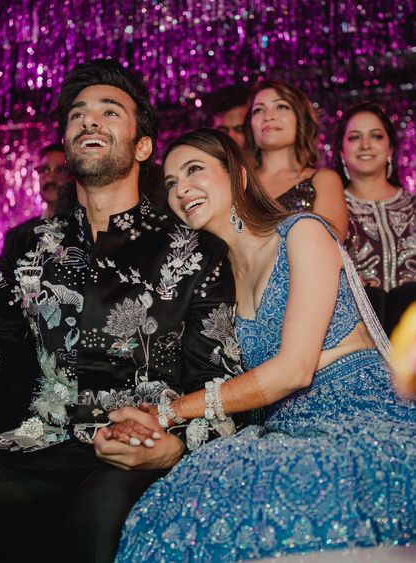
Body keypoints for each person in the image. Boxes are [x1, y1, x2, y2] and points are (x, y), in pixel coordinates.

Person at [0, 61, 240, 563]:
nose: (88, 121)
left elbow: (220, 382)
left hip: (140, 451)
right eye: (77, 115)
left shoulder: (197, 251)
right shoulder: (29, 246)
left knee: (100, 518)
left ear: (141, 147)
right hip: (39, 444)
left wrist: (176, 448)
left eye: (109, 112)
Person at [111, 128, 416, 562]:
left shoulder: (301, 232)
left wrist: (167, 412)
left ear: (236, 173)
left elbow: (295, 369)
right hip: (283, 427)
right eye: (172, 183)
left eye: (194, 170)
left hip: (357, 409)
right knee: (175, 507)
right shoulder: (220, 281)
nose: (181, 190)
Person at [333, 101, 416, 334]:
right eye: (354, 137)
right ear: (341, 152)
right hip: (356, 336)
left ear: (390, 149)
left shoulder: (413, 205)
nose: (365, 145)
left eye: (376, 136)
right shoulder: (330, 209)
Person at [245, 79, 348, 241]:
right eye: (258, 110)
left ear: (301, 120)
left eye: (281, 107)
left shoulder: (323, 181)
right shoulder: (239, 183)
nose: (268, 116)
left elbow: (329, 250)